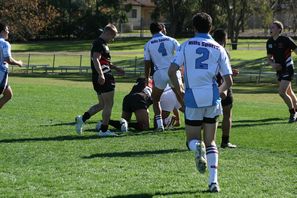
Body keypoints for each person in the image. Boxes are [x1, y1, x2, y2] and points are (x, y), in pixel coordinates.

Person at [168, 13, 233, 192]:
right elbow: (229, 81)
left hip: (193, 97)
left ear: (194, 27)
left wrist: (179, 90)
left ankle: (197, 147)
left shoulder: (186, 45)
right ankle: (213, 182)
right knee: (211, 141)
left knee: (192, 140)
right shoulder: (218, 48)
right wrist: (217, 94)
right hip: (211, 97)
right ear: (211, 28)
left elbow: (172, 71)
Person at [75, 24, 125, 137]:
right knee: (109, 104)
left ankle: (82, 119)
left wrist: (116, 68)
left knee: (102, 104)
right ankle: (103, 130)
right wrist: (101, 74)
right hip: (104, 77)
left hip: (100, 76)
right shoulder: (99, 43)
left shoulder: (103, 44)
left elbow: (104, 61)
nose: (113, 39)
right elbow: (95, 59)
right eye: (113, 36)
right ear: (108, 33)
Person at [144, 22, 180, 131]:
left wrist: (146, 78)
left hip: (159, 73)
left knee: (156, 99)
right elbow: (181, 53)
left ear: (151, 31)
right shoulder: (172, 40)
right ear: (162, 29)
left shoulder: (149, 44)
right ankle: (192, 121)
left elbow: (147, 63)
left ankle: (160, 125)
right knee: (181, 96)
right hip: (172, 71)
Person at [266, 21, 297, 123]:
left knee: (281, 92)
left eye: (273, 27)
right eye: (270, 27)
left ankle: (292, 113)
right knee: (289, 92)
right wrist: (273, 64)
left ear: (279, 30)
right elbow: (269, 58)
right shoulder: (269, 42)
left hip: (288, 67)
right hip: (279, 70)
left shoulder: (285, 39)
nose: (271, 29)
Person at [213, 29, 237, 148]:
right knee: (227, 114)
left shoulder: (210, 49)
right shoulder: (223, 51)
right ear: (225, 39)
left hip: (210, 84)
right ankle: (225, 141)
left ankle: (208, 141)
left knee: (210, 115)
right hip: (223, 85)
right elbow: (225, 72)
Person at [0, 23, 23, 109]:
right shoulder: (4, 44)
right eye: (7, 30)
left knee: (8, 94)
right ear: (3, 31)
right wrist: (18, 63)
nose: (8, 32)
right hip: (1, 75)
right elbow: (8, 59)